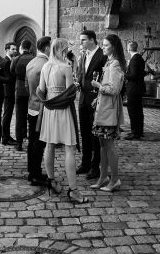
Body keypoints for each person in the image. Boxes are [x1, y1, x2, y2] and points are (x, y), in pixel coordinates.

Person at [37, 38, 88, 204]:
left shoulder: (45, 66)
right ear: (62, 50)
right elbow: (69, 93)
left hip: (49, 110)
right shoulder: (65, 67)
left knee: (49, 144)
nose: (68, 52)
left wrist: (49, 100)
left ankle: (51, 180)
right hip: (63, 110)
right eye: (66, 49)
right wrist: (74, 85)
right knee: (69, 148)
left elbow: (41, 91)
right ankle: (73, 190)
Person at [90, 34, 126, 192]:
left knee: (109, 146)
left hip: (109, 112)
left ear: (114, 46)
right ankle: (103, 177)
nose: (103, 47)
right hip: (103, 109)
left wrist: (98, 86)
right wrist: (97, 98)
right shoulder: (109, 62)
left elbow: (114, 89)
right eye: (103, 45)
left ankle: (115, 179)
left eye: (105, 45)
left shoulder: (115, 64)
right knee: (102, 145)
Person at [76, 30, 107, 180]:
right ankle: (85, 163)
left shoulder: (102, 56)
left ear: (92, 40)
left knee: (95, 134)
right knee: (84, 132)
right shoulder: (84, 55)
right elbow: (82, 74)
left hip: (95, 99)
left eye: (83, 40)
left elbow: (104, 79)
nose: (80, 42)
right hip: (82, 99)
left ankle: (95, 167)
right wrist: (78, 82)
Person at [25, 36, 51, 186]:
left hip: (31, 105)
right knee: (39, 143)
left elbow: (27, 87)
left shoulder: (31, 62)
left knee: (32, 141)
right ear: (47, 48)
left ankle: (32, 170)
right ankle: (35, 174)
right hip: (42, 108)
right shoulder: (47, 64)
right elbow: (47, 90)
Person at [10, 40, 34, 150]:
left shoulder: (16, 59)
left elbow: (12, 71)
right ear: (30, 48)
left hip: (19, 90)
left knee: (19, 117)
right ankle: (31, 141)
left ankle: (19, 143)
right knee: (32, 116)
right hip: (31, 89)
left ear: (21, 47)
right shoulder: (34, 59)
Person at [123, 41, 146, 140]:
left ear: (128, 49)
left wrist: (123, 74)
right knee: (139, 111)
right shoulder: (140, 58)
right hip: (138, 88)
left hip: (134, 89)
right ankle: (139, 131)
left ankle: (135, 132)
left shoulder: (134, 59)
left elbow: (133, 75)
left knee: (133, 111)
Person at [0, 42, 19, 146]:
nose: (15, 51)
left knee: (8, 115)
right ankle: (5, 138)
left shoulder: (10, 60)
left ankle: (6, 136)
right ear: (7, 50)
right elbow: (7, 78)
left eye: (15, 49)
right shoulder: (6, 61)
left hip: (10, 92)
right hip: (8, 92)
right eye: (13, 49)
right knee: (7, 115)